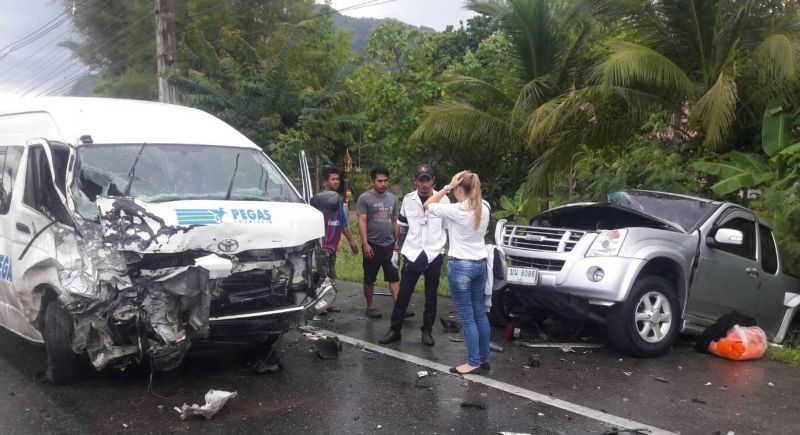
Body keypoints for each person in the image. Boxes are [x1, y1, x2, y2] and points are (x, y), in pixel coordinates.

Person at [423, 170, 491, 375]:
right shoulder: (484, 206)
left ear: (460, 188)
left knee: (467, 317)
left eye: (455, 190)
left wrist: (447, 187)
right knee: (479, 313)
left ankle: (473, 362)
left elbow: (427, 205)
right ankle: (484, 358)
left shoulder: (457, 209)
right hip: (480, 264)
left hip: (461, 266)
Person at [378, 164, 448, 346]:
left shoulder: (443, 200)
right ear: (415, 181)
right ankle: (395, 330)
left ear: (433, 180)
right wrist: (396, 249)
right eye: (421, 180)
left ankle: (427, 331)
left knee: (431, 295)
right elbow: (403, 226)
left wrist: (444, 250)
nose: (424, 184)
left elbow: (447, 228)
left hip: (433, 253)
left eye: (428, 179)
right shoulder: (409, 200)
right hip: (413, 252)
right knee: (403, 295)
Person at [310, 168, 358, 312]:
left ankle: (327, 303)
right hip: (323, 243)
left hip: (333, 244)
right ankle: (317, 305)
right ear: (326, 181)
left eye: (338, 179)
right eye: (333, 179)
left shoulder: (339, 200)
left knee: (331, 275)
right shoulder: (319, 200)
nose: (336, 181)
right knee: (322, 275)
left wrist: (351, 241)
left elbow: (343, 222)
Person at [356, 165, 401, 319]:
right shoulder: (364, 198)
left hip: (389, 245)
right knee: (369, 278)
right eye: (379, 181)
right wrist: (365, 244)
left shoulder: (392, 198)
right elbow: (361, 221)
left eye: (385, 180)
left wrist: (397, 243)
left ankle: (399, 307)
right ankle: (370, 306)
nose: (383, 183)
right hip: (372, 245)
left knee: (394, 277)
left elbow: (395, 221)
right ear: (372, 181)